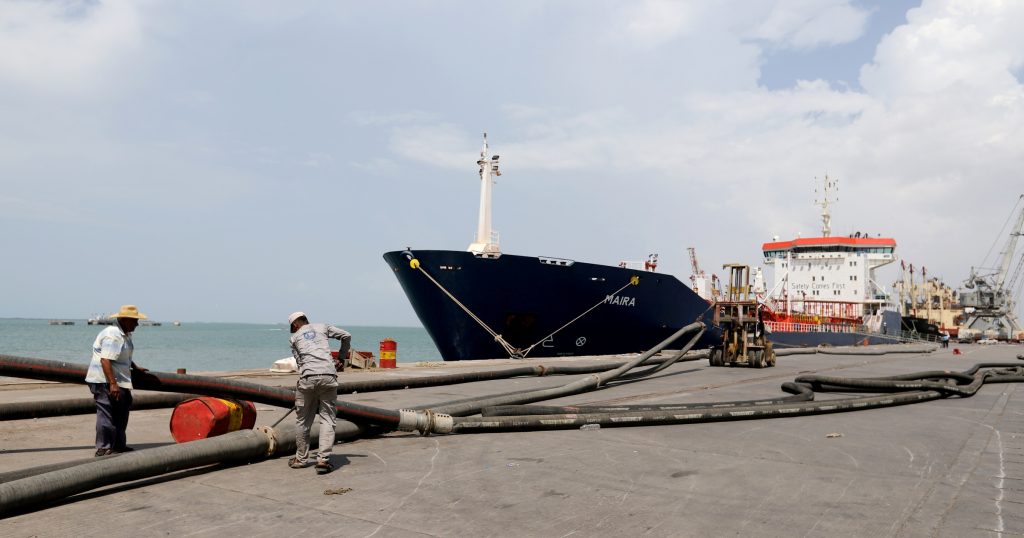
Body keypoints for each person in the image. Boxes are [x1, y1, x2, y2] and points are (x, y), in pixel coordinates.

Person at [287, 311, 350, 474]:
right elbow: (346, 335)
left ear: (295, 325)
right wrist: (341, 358)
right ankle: (323, 460)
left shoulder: (294, 338)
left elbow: (300, 363)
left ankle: (300, 459)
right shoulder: (323, 327)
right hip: (328, 376)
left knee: (303, 420)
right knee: (327, 418)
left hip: (307, 379)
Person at [84, 305, 150, 457]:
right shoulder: (113, 335)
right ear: (125, 320)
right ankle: (103, 447)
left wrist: (135, 367)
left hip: (119, 380)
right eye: (135, 320)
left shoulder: (124, 334)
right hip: (104, 380)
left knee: (122, 412)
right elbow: (105, 360)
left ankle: (119, 445)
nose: (137, 324)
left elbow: (121, 355)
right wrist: (112, 384)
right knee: (106, 414)